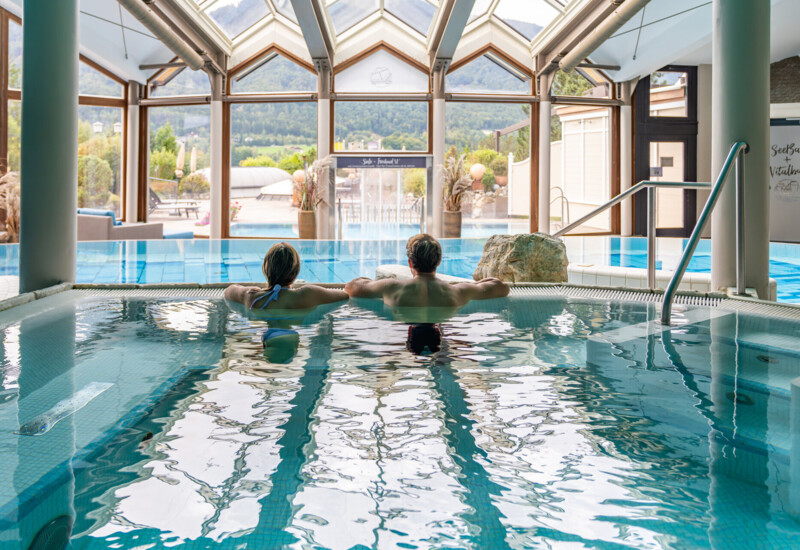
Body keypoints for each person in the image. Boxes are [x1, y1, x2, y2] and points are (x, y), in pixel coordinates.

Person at [224, 242, 348, 360]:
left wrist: (255, 290)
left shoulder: (252, 297)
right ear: (296, 272)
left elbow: (229, 291)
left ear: (266, 270)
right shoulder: (307, 295)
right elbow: (344, 295)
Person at [344, 233, 509, 310]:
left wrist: (376, 283)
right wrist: (467, 285)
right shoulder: (458, 291)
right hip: (443, 342)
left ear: (410, 262)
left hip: (403, 341)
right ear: (438, 261)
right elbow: (501, 287)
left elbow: (351, 286)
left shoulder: (391, 288)